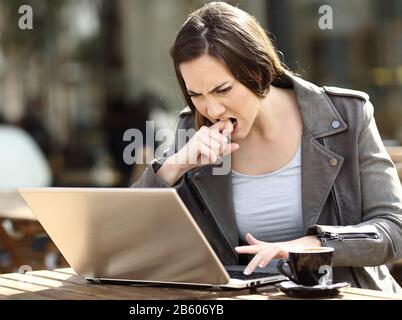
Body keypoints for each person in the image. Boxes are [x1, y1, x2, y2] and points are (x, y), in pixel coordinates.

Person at [132, 2, 402, 293]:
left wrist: (314, 245)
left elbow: (394, 230)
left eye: (223, 90)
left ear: (258, 72)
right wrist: (177, 165)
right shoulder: (192, 130)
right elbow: (128, 231)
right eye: (196, 94)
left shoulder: (347, 117)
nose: (211, 108)